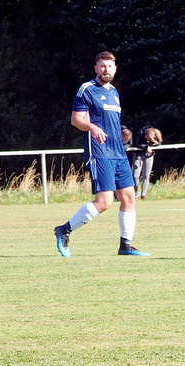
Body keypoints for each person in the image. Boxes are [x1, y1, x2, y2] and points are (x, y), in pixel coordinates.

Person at [53, 52, 150, 258]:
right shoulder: (87, 89)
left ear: (115, 69)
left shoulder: (114, 91)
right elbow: (76, 119)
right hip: (99, 152)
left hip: (118, 152)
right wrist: (92, 127)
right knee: (104, 202)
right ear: (96, 68)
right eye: (103, 66)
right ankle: (64, 230)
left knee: (129, 198)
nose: (106, 70)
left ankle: (125, 246)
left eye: (110, 66)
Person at [132, 125, 163, 199]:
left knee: (146, 175)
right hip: (138, 155)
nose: (147, 139)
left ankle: (143, 195)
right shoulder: (140, 132)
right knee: (135, 176)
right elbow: (136, 143)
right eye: (147, 138)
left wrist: (150, 146)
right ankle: (135, 192)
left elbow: (159, 142)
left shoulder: (156, 133)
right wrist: (146, 147)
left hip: (149, 155)